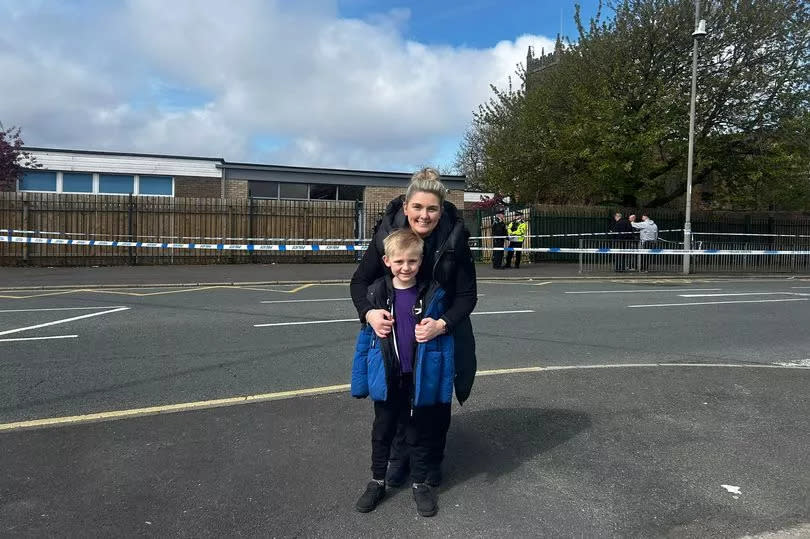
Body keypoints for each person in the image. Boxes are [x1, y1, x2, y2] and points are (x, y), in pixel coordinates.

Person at [349, 167, 477, 515]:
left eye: (432, 209)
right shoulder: (387, 236)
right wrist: (370, 314)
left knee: (433, 408)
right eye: (418, 207)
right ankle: (396, 461)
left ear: (441, 209)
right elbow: (360, 283)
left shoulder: (454, 237)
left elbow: (467, 297)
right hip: (398, 338)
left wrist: (443, 324)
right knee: (394, 405)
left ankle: (428, 470)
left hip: (440, 333)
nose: (425, 215)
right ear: (406, 207)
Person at [351, 229, 455, 517]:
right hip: (387, 378)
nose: (405, 267)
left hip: (417, 380)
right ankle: (377, 481)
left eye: (412, 261)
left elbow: (445, 346)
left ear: (420, 262)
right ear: (386, 261)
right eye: (399, 262)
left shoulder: (434, 295)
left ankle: (420, 484)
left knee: (418, 433)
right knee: (382, 432)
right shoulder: (376, 293)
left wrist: (443, 387)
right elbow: (364, 343)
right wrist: (360, 382)